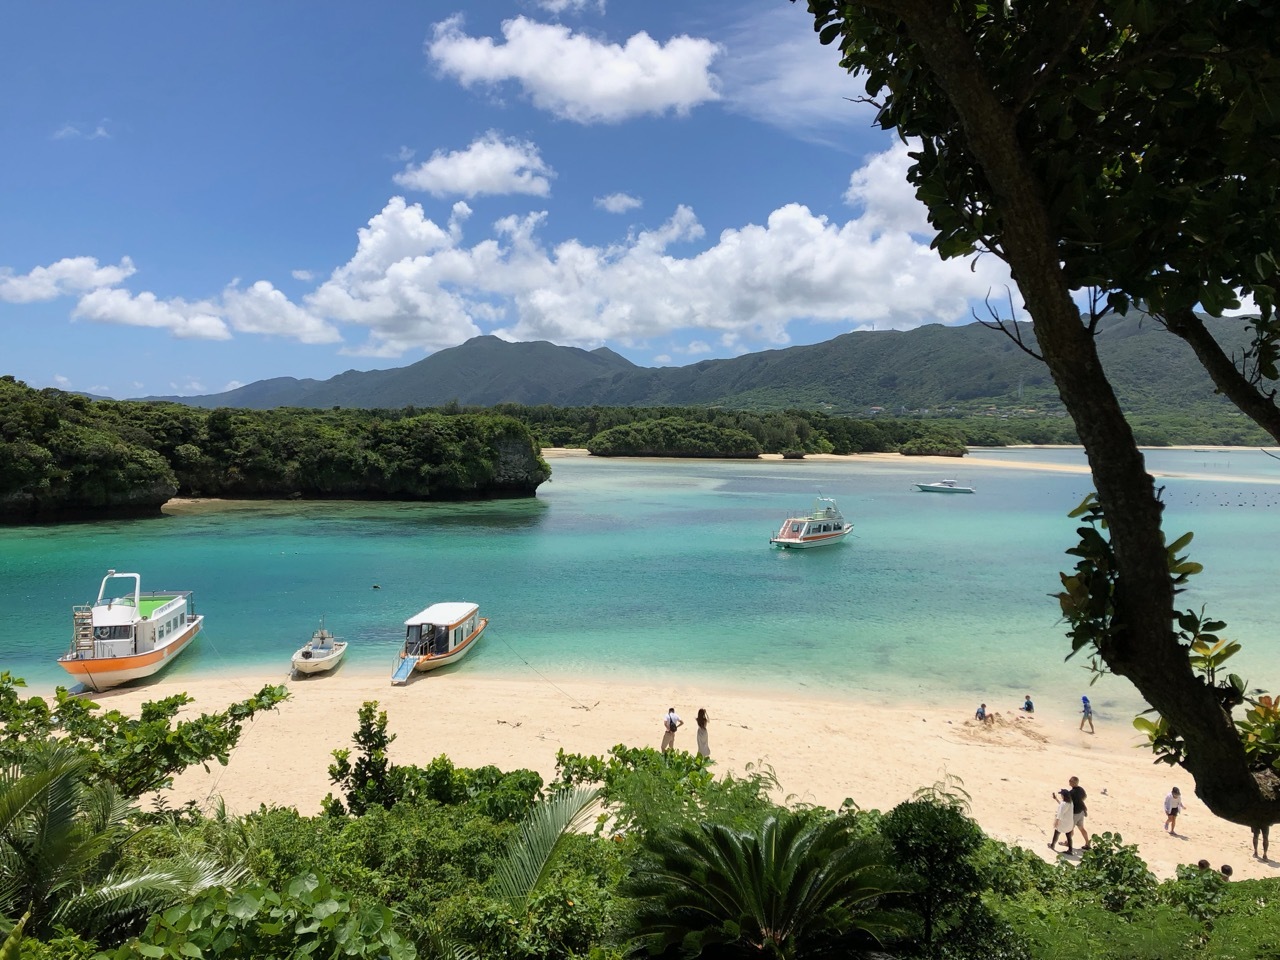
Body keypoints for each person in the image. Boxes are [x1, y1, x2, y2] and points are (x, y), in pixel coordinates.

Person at [1049, 788, 1075, 854]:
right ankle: (1070, 850)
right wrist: (1056, 799)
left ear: (1064, 796)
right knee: (1069, 836)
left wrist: (1056, 822)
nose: (1061, 796)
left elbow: (1060, 813)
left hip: (1063, 822)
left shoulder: (1064, 804)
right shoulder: (1070, 802)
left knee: (1056, 833)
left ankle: (1052, 845)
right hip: (1069, 822)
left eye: (1061, 794)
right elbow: (1062, 806)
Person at [1068, 776, 1091, 850]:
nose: (1069, 782)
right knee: (1081, 828)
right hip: (1081, 811)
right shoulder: (1081, 789)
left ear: (1074, 783)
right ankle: (1087, 843)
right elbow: (1084, 797)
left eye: (1070, 781)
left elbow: (1068, 802)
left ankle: (1068, 843)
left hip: (1075, 813)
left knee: (1070, 829)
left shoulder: (1072, 792)